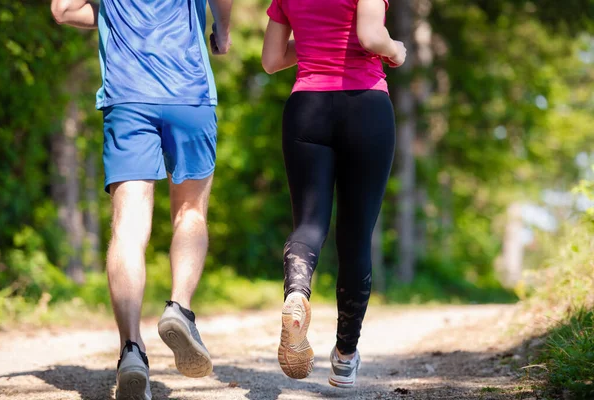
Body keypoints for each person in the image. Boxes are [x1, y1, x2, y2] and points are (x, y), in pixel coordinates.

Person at [50, 0, 232, 398]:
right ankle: (179, 308)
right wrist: (223, 27)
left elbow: (63, 10)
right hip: (190, 93)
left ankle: (131, 349)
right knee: (190, 212)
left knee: (128, 227)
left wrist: (118, 16)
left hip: (128, 97)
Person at [262, 0, 406, 388]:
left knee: (309, 224)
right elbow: (371, 36)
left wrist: (312, 48)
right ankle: (345, 357)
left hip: (306, 107)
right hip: (366, 106)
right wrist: (396, 50)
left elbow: (271, 60)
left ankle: (296, 293)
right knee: (356, 236)